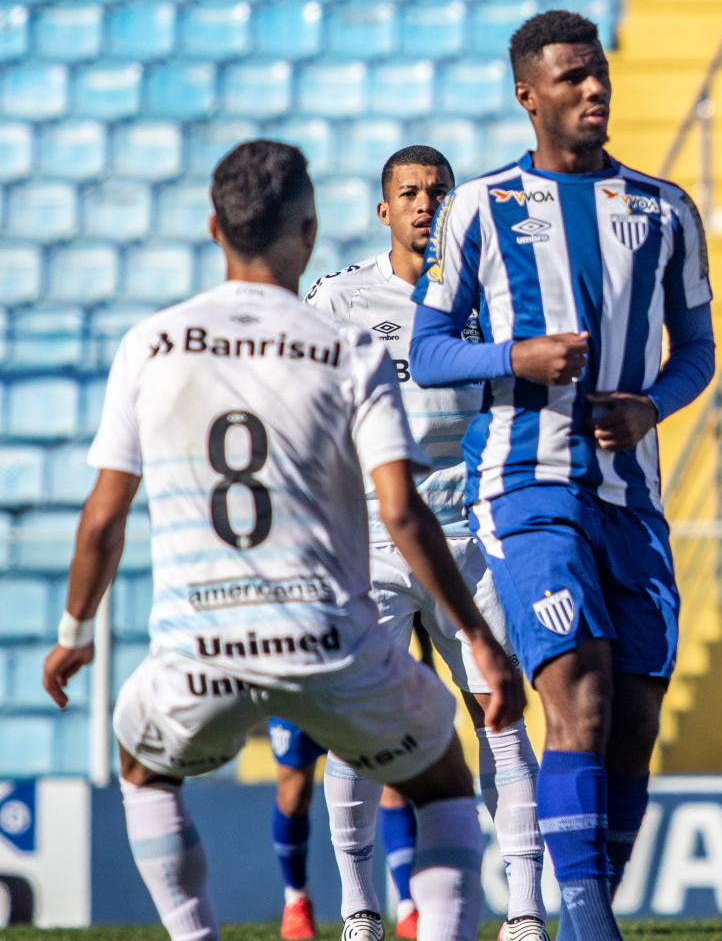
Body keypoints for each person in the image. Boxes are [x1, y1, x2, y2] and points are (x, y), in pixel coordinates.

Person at [40, 139, 522, 941]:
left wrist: (73, 636)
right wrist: (475, 632)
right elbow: (402, 512)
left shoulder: (152, 344)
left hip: (203, 644)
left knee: (144, 770)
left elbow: (102, 519)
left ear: (213, 229)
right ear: (308, 229)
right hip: (325, 638)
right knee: (442, 778)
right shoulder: (347, 345)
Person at [409, 10, 716, 941]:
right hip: (524, 484)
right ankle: (585, 929)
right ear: (528, 95)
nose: (594, 91)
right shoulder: (479, 209)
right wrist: (517, 356)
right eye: (573, 78)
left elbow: (696, 351)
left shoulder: (663, 209)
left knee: (634, 716)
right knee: (575, 686)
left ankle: (589, 912)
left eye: (601, 75)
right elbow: (427, 352)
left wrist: (652, 406)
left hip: (630, 497)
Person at [304, 145, 546, 941]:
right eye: (409, 193)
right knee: (357, 722)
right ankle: (360, 910)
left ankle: (526, 912)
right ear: (384, 211)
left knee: (499, 712)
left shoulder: (486, 297)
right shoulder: (340, 300)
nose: (425, 204)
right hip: (370, 538)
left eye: (439, 192)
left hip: (465, 536)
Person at [263, 716, 354, 940]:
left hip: (351, 687)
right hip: (296, 690)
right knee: (294, 794)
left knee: (389, 778)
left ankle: (407, 907)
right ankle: (296, 898)